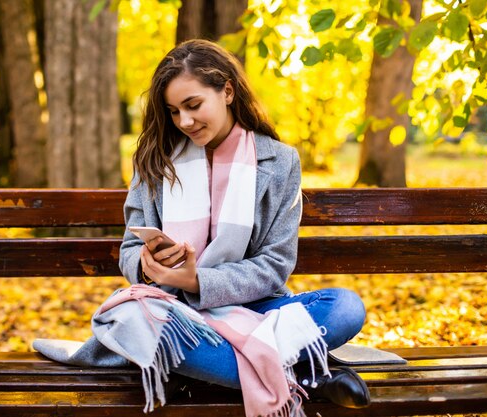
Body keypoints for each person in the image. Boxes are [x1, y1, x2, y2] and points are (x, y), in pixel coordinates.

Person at [118, 39, 370, 410]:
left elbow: (275, 264)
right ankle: (303, 378)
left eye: (193, 105)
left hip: (257, 308)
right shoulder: (156, 161)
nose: (184, 121)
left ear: (228, 91)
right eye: (173, 111)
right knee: (129, 320)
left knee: (346, 307)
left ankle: (206, 367)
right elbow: (129, 251)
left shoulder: (278, 161)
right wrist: (147, 264)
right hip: (174, 311)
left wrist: (197, 280)